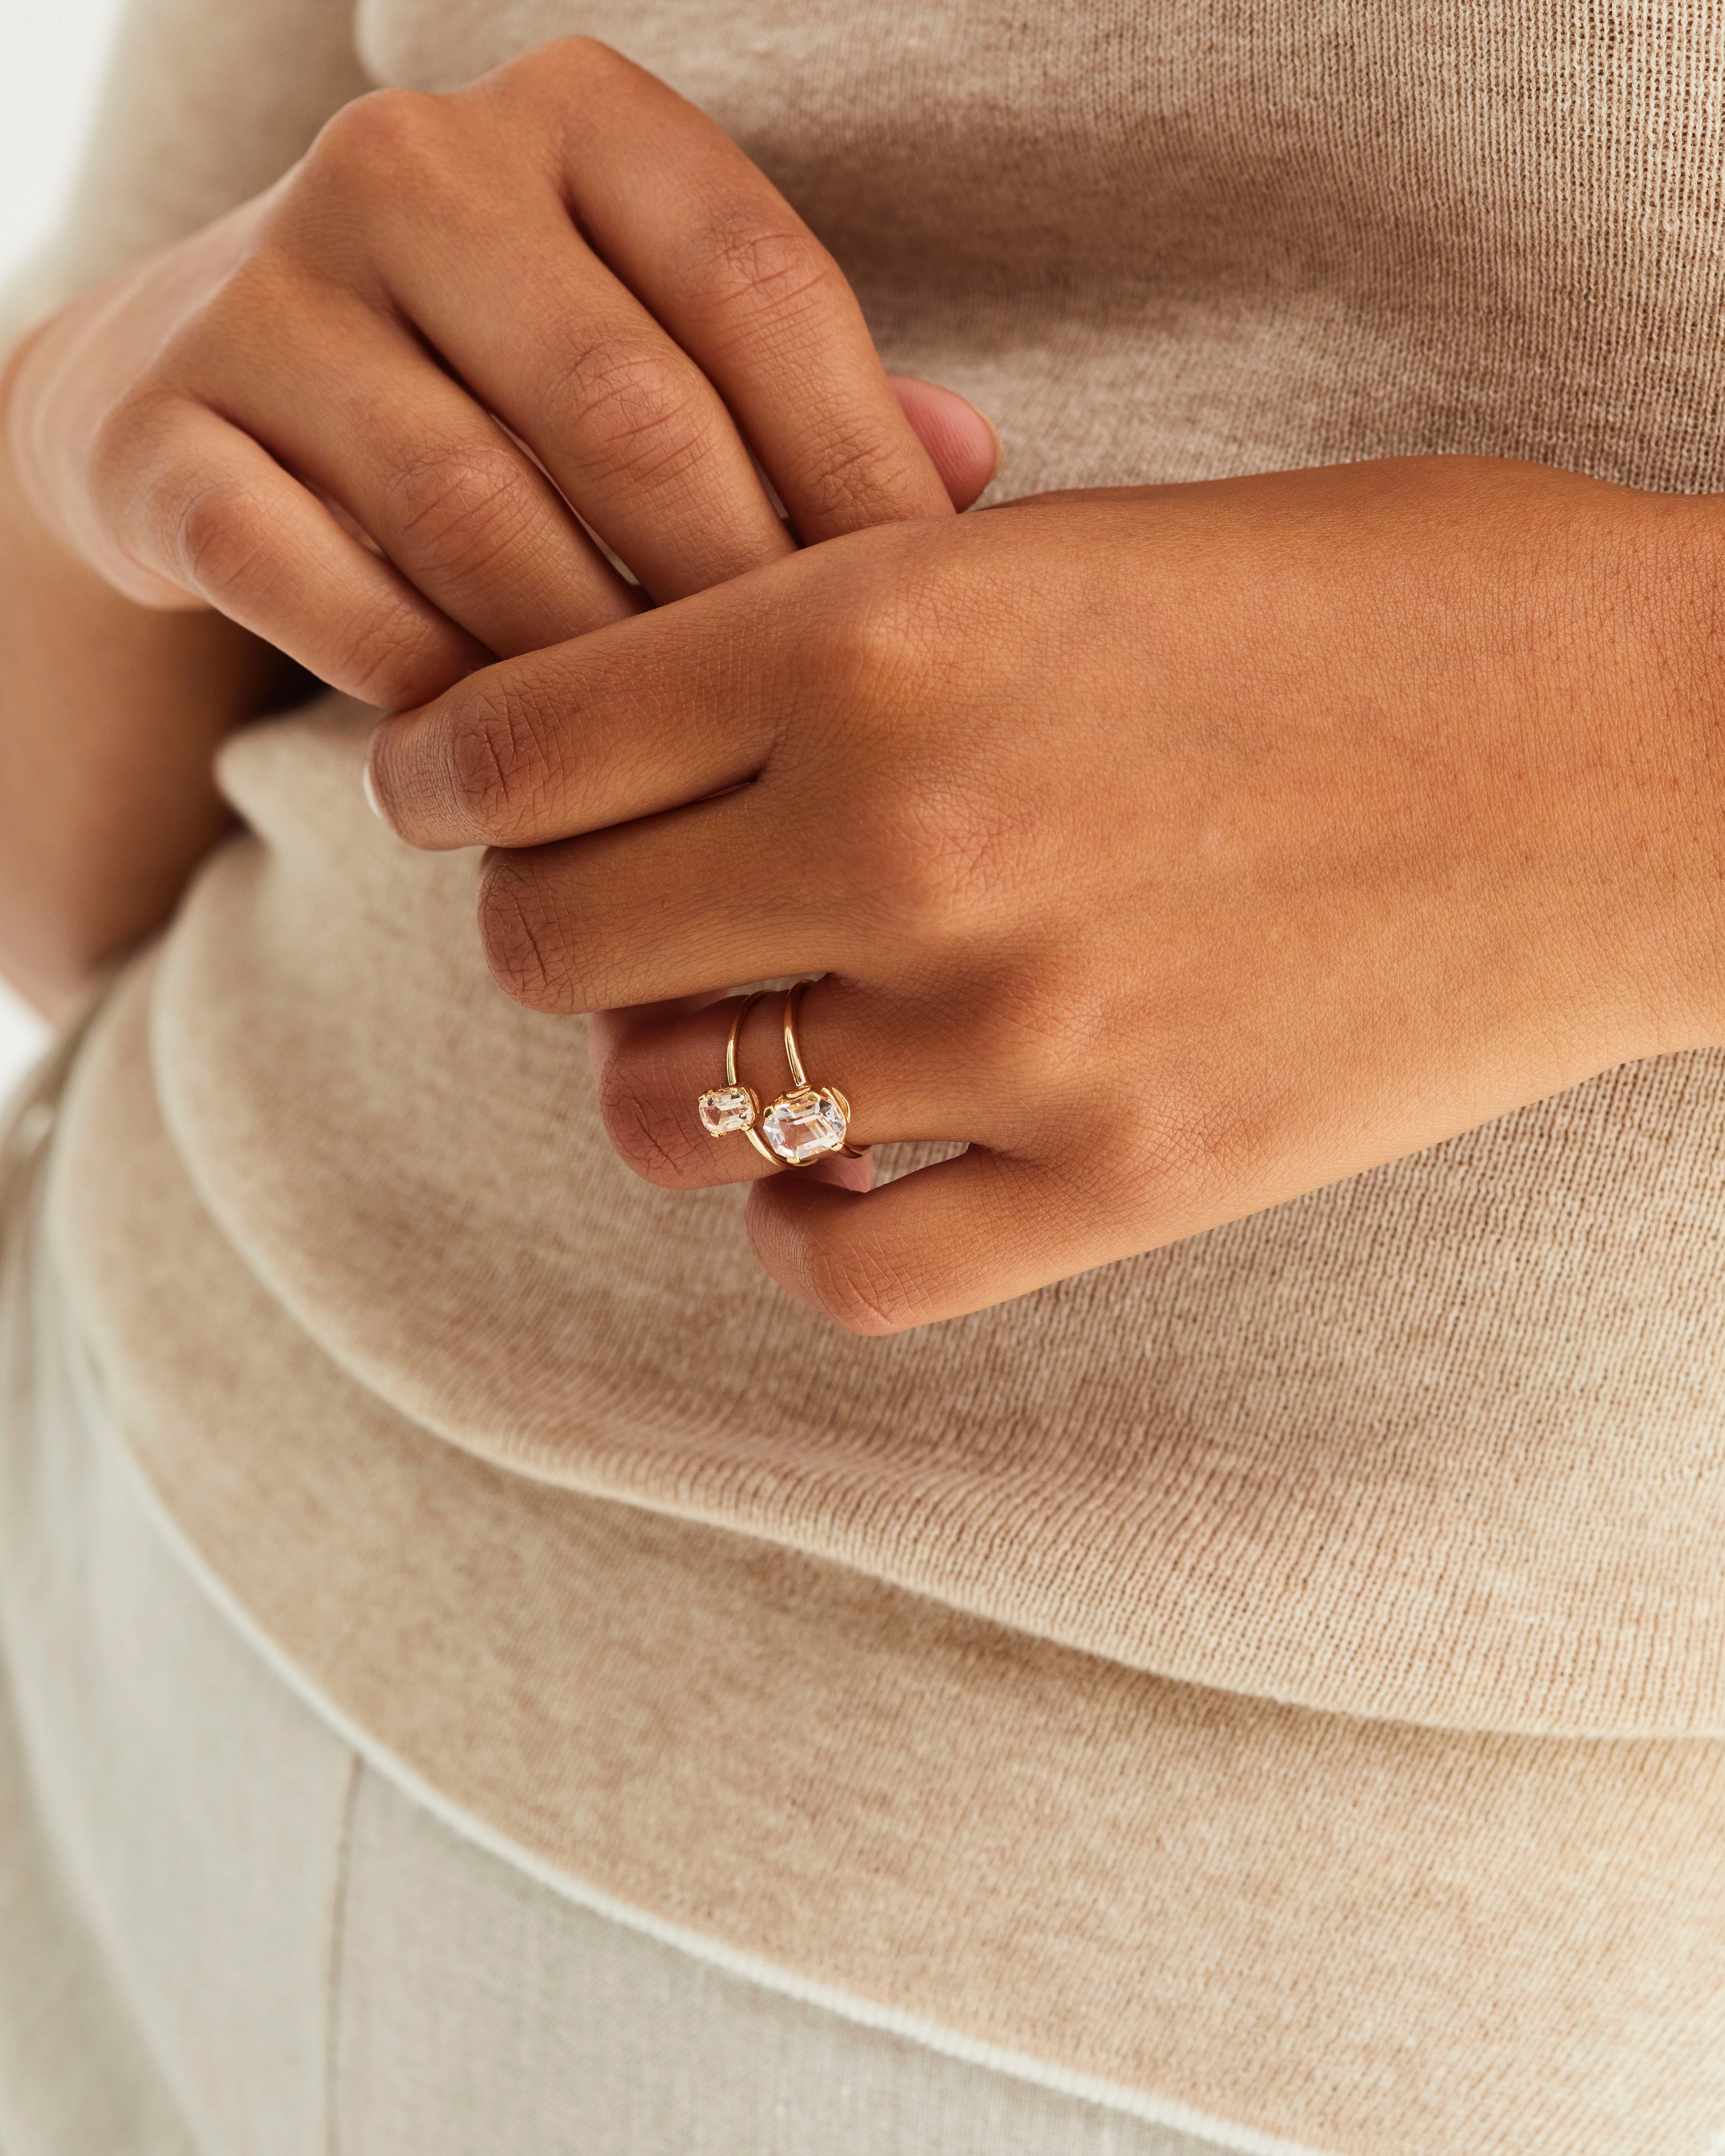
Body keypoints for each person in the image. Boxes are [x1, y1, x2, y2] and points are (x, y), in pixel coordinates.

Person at [3, 1, 1725, 2149]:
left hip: (1277, 1995)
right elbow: (73, 831)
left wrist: (1640, 748)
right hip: (132, 1542)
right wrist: (73, 411)